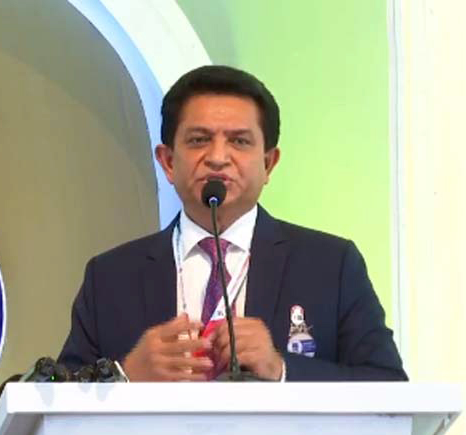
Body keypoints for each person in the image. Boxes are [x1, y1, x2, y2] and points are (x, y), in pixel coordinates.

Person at [57, 65, 407, 382]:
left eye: (239, 141)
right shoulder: (110, 277)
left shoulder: (331, 265)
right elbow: (58, 397)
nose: (218, 158)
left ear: (268, 164)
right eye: (199, 140)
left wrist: (281, 369)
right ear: (168, 162)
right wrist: (126, 377)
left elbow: (387, 385)